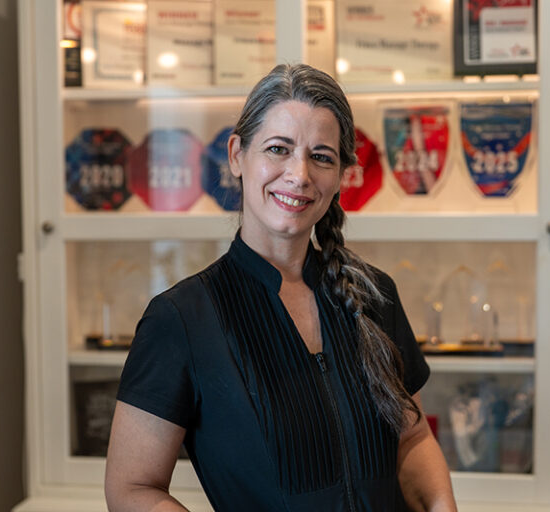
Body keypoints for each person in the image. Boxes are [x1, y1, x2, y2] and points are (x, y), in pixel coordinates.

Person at [105, 64, 457, 512]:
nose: (299, 174)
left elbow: (412, 439)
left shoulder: (374, 296)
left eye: (321, 156)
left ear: (342, 174)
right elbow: (132, 487)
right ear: (237, 155)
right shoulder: (181, 319)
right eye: (278, 149)